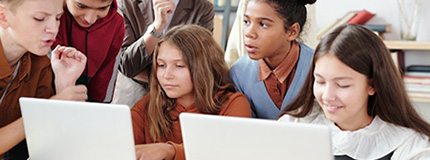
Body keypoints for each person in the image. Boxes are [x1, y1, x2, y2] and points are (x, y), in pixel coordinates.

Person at [279, 24, 430, 159]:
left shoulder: (411, 147)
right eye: (320, 81)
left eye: (342, 85)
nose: (327, 96)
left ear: (372, 85)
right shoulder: (294, 124)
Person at [131, 25, 251, 160]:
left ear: (203, 68)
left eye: (179, 66)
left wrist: (170, 150)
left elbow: (229, 152)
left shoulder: (233, 104)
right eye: (161, 65)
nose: (166, 75)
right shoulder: (148, 105)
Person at [0, 0, 88, 159]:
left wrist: (64, 85)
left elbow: (48, 144)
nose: (53, 29)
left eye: (58, 18)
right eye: (39, 18)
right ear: (3, 16)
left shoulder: (40, 63)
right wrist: (44, 111)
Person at [113, 0, 214, 107]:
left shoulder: (202, 8)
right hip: (133, 98)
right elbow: (126, 65)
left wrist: (142, 73)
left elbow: (198, 64)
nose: (166, 75)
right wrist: (157, 28)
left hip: (179, 103)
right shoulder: (126, 3)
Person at [229, 0, 316, 119]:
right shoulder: (239, 73)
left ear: (292, 32)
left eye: (263, 24)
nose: (249, 33)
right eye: (246, 22)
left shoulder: (318, 68)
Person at [52, 0, 125, 103]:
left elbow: (108, 71)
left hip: (91, 97)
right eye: (81, 6)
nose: (90, 19)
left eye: (102, 8)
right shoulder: (49, 13)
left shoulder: (117, 21)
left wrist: (99, 107)